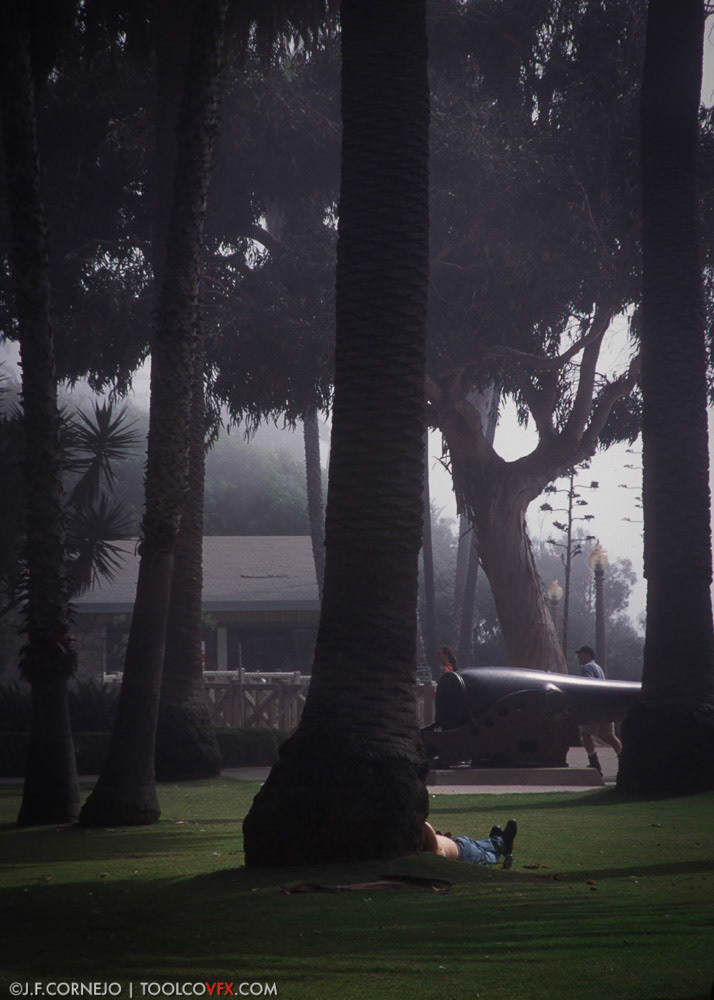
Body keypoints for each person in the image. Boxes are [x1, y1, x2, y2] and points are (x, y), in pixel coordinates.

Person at [575, 644, 623, 774]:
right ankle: (624, 761)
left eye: (580, 654)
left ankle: (594, 763)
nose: (578, 657)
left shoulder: (586, 668)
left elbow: (588, 686)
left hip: (593, 709)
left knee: (585, 734)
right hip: (605, 707)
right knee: (609, 736)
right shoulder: (598, 668)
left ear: (586, 655)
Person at [422, 818, 517, 866]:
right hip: (465, 854)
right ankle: (502, 844)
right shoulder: (433, 855)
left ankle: (497, 840)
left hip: (459, 842)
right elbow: (425, 825)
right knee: (484, 855)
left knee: (477, 844)